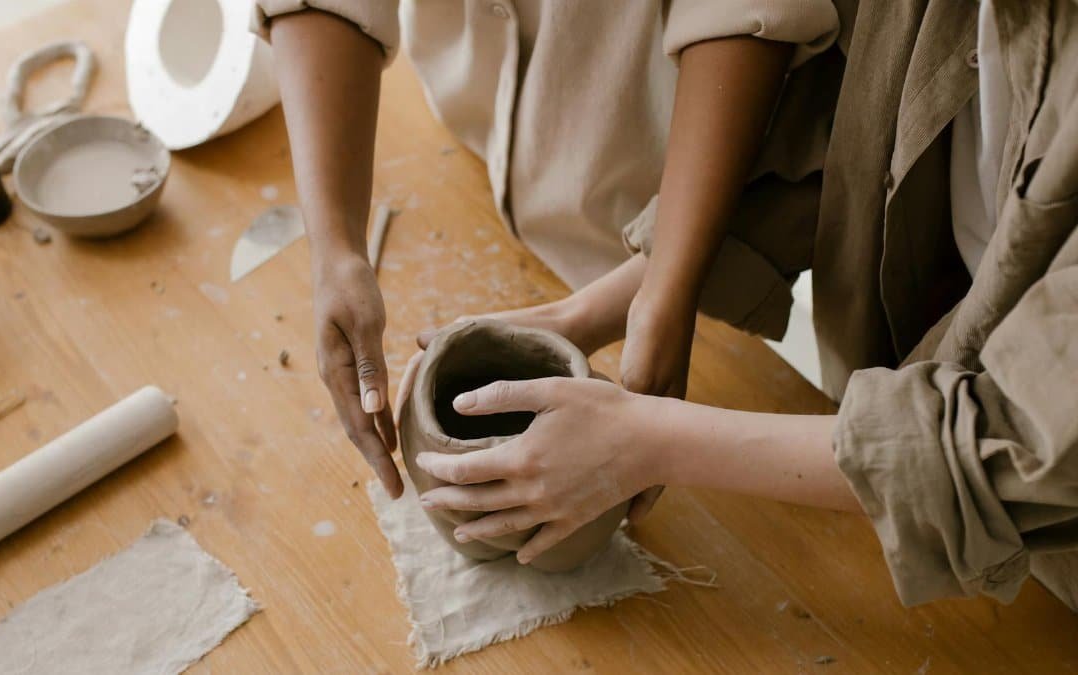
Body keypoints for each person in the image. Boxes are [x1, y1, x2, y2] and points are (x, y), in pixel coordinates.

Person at [403, 0, 1078, 611]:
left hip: (1034, 564)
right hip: (887, 478)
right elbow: (840, 136)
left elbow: (1031, 443)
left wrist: (652, 441)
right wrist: (589, 314)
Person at [256, 0, 840, 504]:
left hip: (670, 182)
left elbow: (740, 13)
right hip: (481, 149)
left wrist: (666, 288)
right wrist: (336, 251)